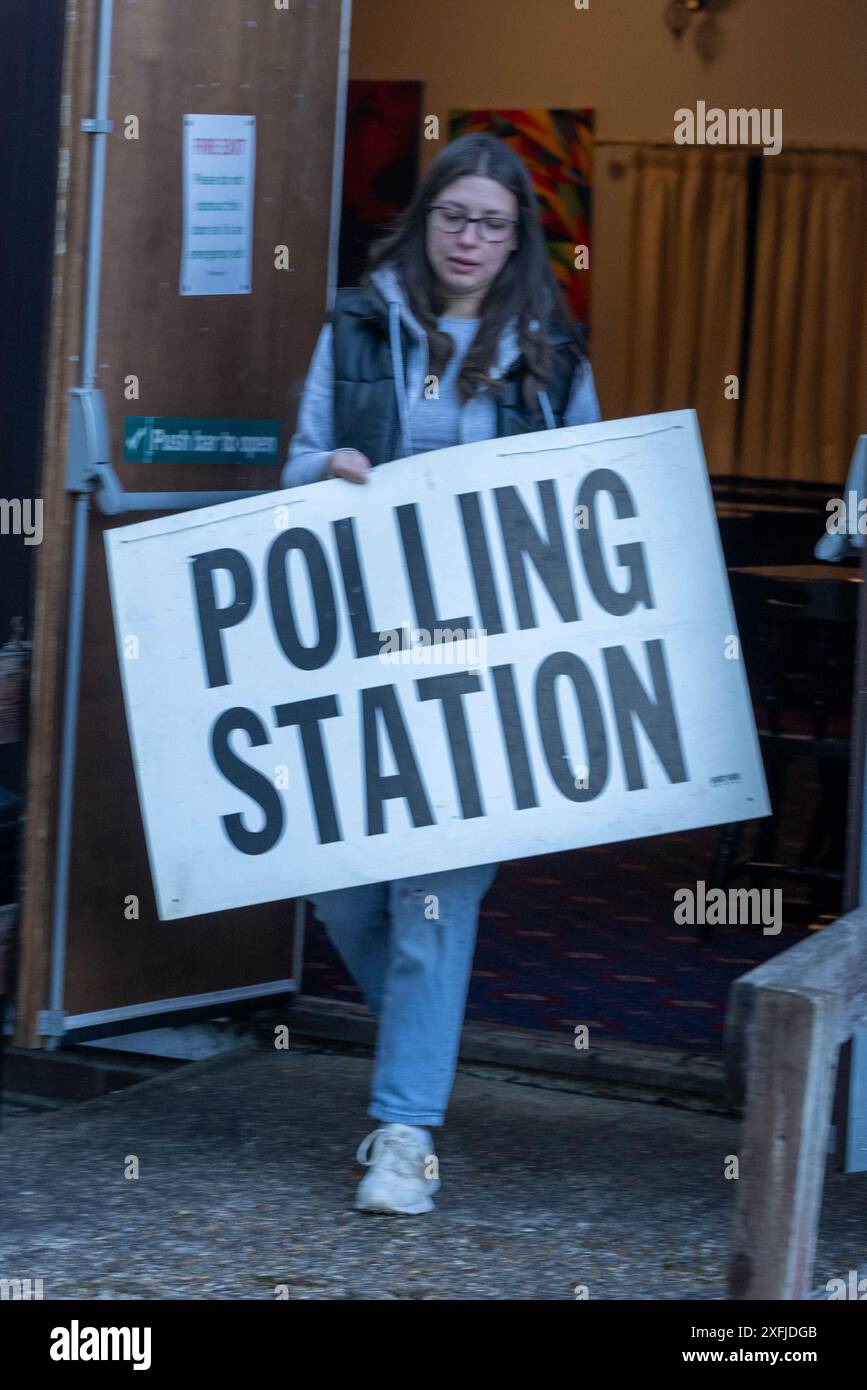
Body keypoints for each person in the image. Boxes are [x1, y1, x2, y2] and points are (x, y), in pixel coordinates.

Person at [281, 132, 601, 1215]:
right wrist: (329, 469)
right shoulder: (358, 322)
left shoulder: (554, 349)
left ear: (519, 241)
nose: (470, 238)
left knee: (429, 899)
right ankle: (428, 1045)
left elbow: (588, 493)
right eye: (453, 216)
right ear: (424, 223)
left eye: (493, 223)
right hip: (359, 654)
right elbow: (298, 458)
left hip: (487, 669)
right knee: (336, 885)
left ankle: (403, 1132)